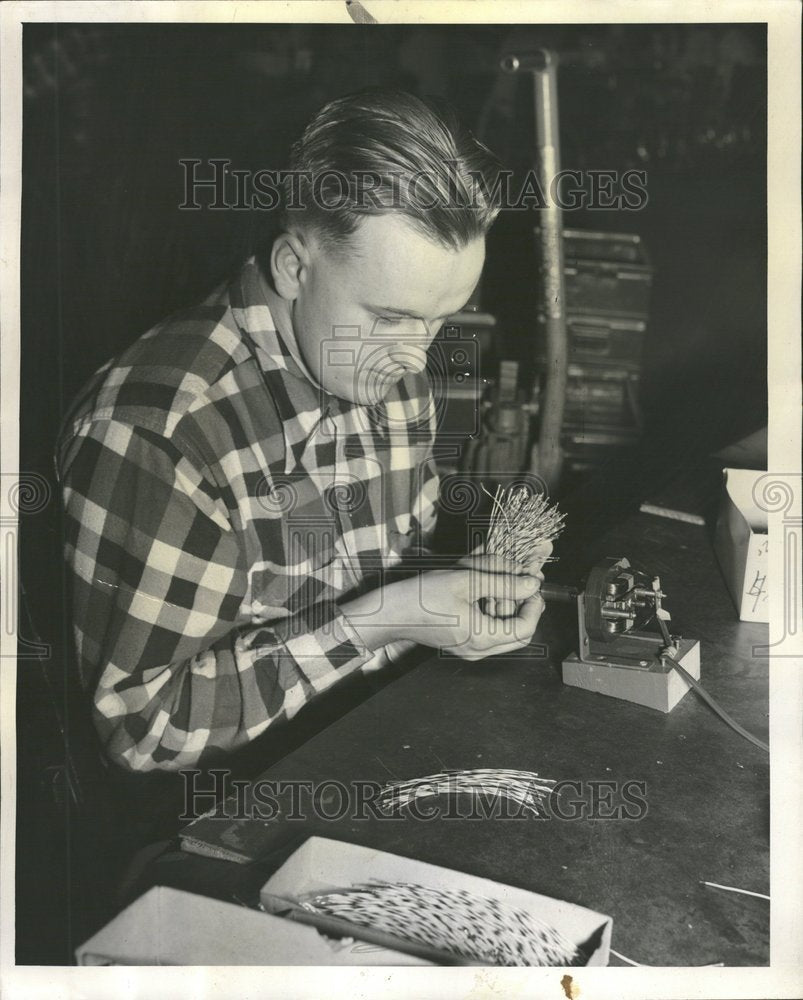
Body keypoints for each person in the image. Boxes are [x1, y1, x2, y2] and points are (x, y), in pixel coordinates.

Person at [58, 89, 548, 773]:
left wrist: (455, 597)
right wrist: (385, 618)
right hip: (214, 812)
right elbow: (144, 730)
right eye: (390, 317)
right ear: (293, 266)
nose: (417, 356)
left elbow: (384, 574)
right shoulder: (163, 435)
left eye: (440, 319)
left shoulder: (385, 371)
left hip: (370, 750)